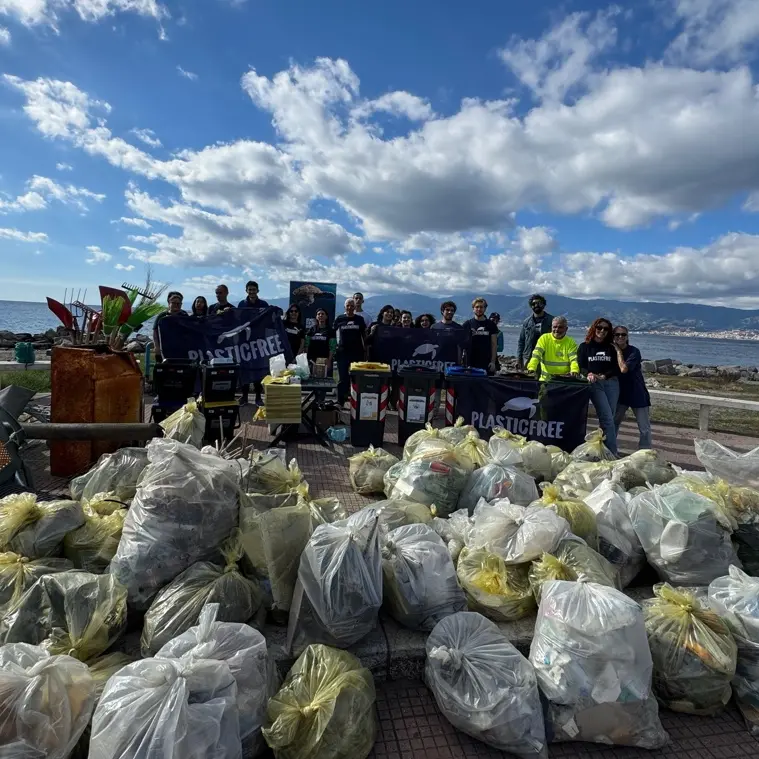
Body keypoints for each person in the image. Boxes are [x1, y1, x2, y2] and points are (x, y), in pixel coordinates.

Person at [578, 317, 627, 457]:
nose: (602, 331)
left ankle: (601, 450)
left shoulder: (611, 347)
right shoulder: (585, 346)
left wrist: (605, 375)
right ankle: (612, 453)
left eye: (606, 329)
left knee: (609, 418)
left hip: (611, 383)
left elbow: (617, 368)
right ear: (594, 328)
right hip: (595, 385)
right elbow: (581, 365)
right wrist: (588, 374)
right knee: (607, 418)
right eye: (599, 327)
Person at [612, 326, 652, 450]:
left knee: (644, 427)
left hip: (637, 393)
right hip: (620, 394)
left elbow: (624, 369)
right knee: (613, 424)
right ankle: (610, 449)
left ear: (627, 337)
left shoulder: (634, 351)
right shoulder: (609, 351)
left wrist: (618, 352)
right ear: (613, 336)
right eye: (617, 334)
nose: (620, 337)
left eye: (623, 335)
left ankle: (645, 452)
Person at [237, 281, 269, 406]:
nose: (252, 292)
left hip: (259, 342)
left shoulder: (264, 304)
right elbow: (237, 320)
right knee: (244, 370)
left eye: (254, 289)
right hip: (244, 342)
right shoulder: (241, 304)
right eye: (249, 289)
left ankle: (258, 397)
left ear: (258, 291)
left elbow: (268, 319)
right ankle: (244, 397)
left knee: (258, 370)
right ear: (246, 291)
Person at [333, 298, 367, 406]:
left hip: (357, 353)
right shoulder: (339, 319)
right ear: (345, 307)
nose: (350, 308)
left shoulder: (360, 319)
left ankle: (357, 403)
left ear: (355, 307)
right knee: (343, 379)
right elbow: (334, 335)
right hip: (342, 353)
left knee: (357, 379)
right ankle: (340, 402)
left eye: (352, 306)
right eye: (348, 305)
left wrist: (366, 351)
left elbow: (364, 336)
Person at [527, 316, 579, 381]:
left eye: (560, 327)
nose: (557, 330)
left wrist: (574, 370)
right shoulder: (544, 339)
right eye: (554, 327)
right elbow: (536, 355)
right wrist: (532, 367)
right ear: (551, 328)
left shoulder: (571, 342)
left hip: (564, 381)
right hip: (546, 380)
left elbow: (574, 359)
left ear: (566, 329)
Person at [517, 294, 553, 370]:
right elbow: (521, 341)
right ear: (531, 306)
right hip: (528, 357)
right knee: (528, 380)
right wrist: (519, 358)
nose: (536, 305)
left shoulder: (552, 320)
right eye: (533, 304)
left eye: (539, 303)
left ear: (543, 305)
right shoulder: (526, 322)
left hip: (546, 357)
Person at [463, 297, 499, 374]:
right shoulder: (467, 324)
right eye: (477, 307)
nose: (479, 309)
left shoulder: (491, 325)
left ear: (485, 309)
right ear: (473, 309)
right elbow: (462, 344)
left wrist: (493, 362)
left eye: (481, 307)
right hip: (470, 362)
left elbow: (494, 344)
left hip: (486, 362)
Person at [306, 308, 335, 392]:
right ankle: (314, 401)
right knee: (313, 382)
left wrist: (329, 360)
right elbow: (307, 345)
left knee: (323, 383)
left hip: (324, 360)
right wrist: (306, 358)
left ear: (326, 317)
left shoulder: (330, 331)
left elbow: (332, 347)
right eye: (319, 314)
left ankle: (321, 402)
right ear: (316, 317)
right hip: (312, 360)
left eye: (323, 314)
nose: (320, 315)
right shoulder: (312, 329)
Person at [152, 291, 186, 361]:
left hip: (180, 349)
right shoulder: (161, 316)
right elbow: (155, 332)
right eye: (173, 303)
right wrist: (156, 347)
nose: (176, 305)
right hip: (164, 348)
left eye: (178, 303)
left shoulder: (184, 315)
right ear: (169, 303)